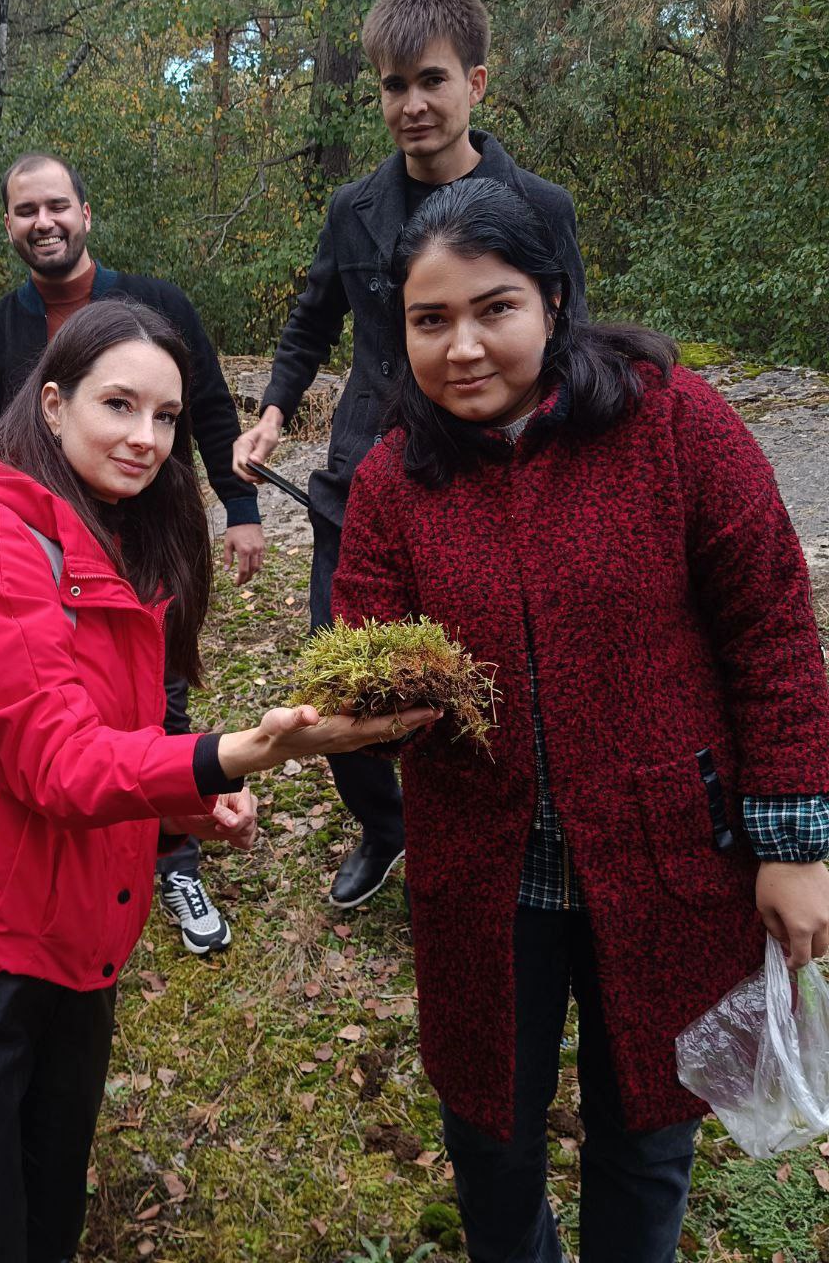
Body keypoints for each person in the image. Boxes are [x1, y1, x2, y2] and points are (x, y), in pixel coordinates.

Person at [0, 298, 441, 1262]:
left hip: (71, 957)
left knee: (46, 1229)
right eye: (118, 406)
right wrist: (236, 754)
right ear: (51, 404)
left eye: (165, 418)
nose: (145, 438)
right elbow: (57, 762)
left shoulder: (112, 538)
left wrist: (191, 801)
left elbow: (111, 738)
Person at [331, 177, 829, 1262]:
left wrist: (792, 844)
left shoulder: (668, 421)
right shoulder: (392, 477)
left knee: (646, 1125)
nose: (461, 347)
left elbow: (772, 628)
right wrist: (365, 701)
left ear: (552, 300)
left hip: (664, 852)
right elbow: (361, 632)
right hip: (482, 866)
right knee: (488, 1131)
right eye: (429, 320)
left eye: (491, 307)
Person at [233, 0, 587, 910]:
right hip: (361, 479)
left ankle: (499, 834)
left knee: (499, 667)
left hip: (493, 482)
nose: (412, 105)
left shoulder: (540, 206)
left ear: (475, 82)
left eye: (431, 80)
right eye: (394, 85)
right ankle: (385, 827)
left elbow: (570, 344)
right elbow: (312, 323)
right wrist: (274, 409)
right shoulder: (353, 209)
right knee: (342, 675)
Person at [0, 150, 262, 953]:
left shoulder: (156, 303)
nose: (43, 222)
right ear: (11, 226)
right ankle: (83, 853)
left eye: (57, 205)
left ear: (86, 214)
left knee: (158, 696)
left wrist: (241, 507)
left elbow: (211, 413)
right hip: (43, 557)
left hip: (150, 538)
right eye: (26, 211)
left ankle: (175, 858)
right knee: (64, 711)